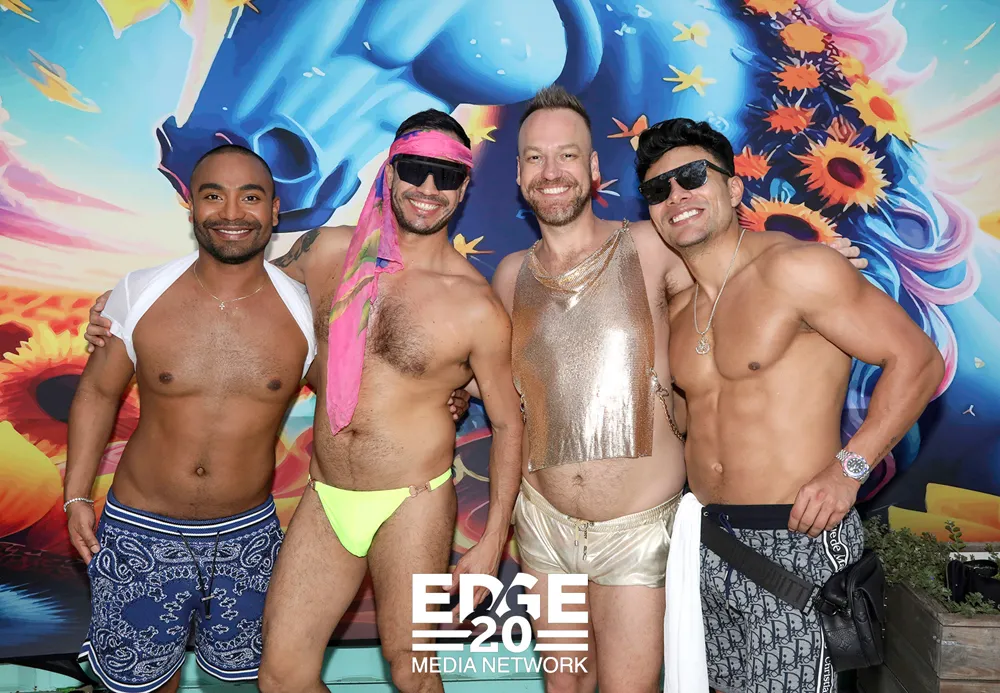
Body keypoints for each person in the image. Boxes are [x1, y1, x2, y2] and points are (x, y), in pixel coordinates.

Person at [472, 86, 868, 693]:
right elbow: (502, 383)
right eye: (535, 157)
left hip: (638, 529)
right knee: (562, 688)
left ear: (593, 168)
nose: (551, 171)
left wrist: (816, 259)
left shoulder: (653, 244)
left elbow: (738, 267)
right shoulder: (508, 275)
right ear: (519, 174)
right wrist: (453, 391)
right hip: (544, 526)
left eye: (567, 155)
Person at [636, 118, 945, 693]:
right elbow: (686, 424)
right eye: (659, 189)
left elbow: (919, 361)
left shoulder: (795, 269)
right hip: (712, 542)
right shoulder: (679, 314)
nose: (676, 195)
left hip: (800, 538)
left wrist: (849, 470)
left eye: (693, 177)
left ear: (733, 188)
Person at [65, 145, 317, 693]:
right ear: (191, 206)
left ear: (275, 210)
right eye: (213, 196)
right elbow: (97, 393)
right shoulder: (138, 292)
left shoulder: (305, 311)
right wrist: (77, 495)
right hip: (141, 531)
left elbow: (359, 399)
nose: (231, 212)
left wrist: (447, 397)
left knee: (255, 679)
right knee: (143, 685)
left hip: (246, 538)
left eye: (250, 197)